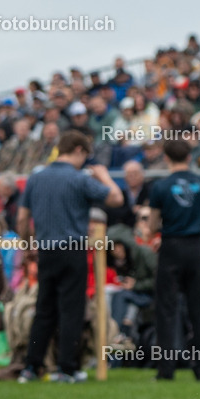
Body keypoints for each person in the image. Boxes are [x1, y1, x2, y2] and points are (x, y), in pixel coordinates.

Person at [16, 131, 123, 383]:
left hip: (45, 250)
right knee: (71, 311)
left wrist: (27, 243)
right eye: (85, 155)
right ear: (78, 150)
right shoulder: (79, 179)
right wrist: (104, 176)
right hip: (73, 250)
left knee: (44, 309)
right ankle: (67, 368)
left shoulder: (36, 177)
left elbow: (22, 218)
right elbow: (117, 198)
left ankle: (31, 366)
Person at [148, 138, 200, 381]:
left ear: (166, 158)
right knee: (198, 309)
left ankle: (166, 370)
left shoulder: (160, 186)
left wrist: (150, 231)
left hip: (171, 245)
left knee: (167, 309)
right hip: (195, 246)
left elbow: (152, 224)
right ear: (189, 157)